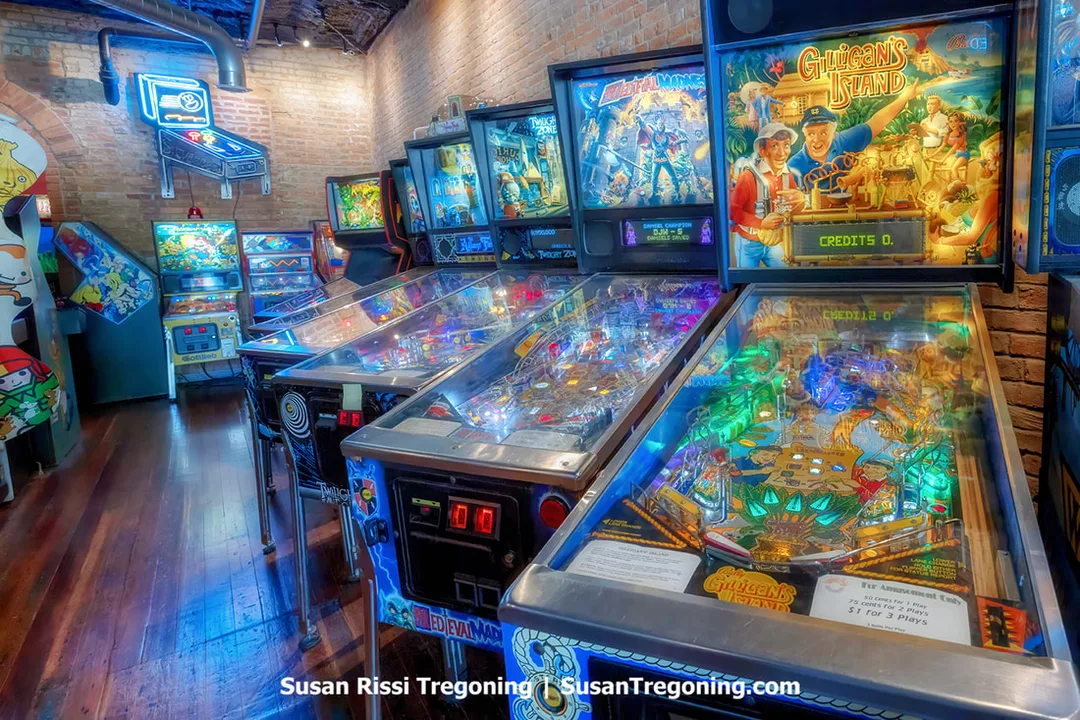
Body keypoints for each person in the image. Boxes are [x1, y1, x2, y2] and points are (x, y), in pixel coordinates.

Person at [788, 79, 920, 194]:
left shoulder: (844, 141)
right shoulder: (793, 166)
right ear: (804, 134)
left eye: (823, 133)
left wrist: (904, 98)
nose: (816, 140)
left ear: (834, 133)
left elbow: (877, 121)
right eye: (811, 134)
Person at [729, 122, 805, 268]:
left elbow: (795, 209)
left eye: (786, 145)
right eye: (775, 146)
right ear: (762, 151)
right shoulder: (748, 176)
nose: (782, 152)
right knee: (748, 283)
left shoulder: (787, 175)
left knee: (783, 278)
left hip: (773, 242)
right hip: (748, 243)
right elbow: (733, 211)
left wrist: (800, 200)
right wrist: (761, 223)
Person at [637, 113, 689, 204]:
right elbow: (646, 128)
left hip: (665, 160)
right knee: (654, 178)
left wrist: (682, 140)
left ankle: (677, 193)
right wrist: (641, 120)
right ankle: (654, 193)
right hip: (656, 161)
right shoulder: (653, 135)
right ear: (656, 125)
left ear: (663, 125)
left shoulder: (667, 137)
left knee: (673, 176)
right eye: (658, 124)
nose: (660, 126)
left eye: (661, 124)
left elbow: (673, 144)